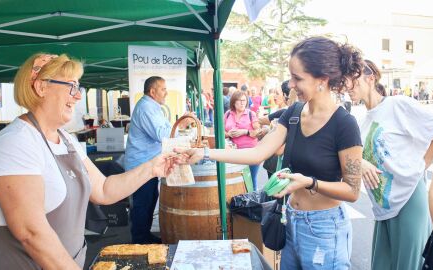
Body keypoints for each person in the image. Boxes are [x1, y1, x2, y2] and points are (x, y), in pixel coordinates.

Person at [0, 54, 175, 270]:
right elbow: (31, 232)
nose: (77, 96)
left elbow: (103, 189)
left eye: (79, 88)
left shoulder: (66, 139)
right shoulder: (16, 142)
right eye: (71, 86)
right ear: (41, 87)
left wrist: (153, 167)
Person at [176, 36, 364, 269]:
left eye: (297, 78)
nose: (291, 85)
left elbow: (352, 191)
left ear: (322, 80)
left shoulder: (344, 124)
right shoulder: (293, 113)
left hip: (325, 229)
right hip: (291, 220)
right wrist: (204, 153)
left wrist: (309, 182)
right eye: (291, 77)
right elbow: (257, 153)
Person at [346, 59, 433, 270]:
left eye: (352, 80)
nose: (347, 87)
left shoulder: (397, 105)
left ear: (370, 79)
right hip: (382, 208)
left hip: (408, 199)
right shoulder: (362, 121)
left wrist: (421, 166)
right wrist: (359, 161)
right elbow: (349, 161)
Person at [124, 76, 180, 244]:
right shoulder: (147, 107)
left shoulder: (152, 106)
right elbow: (162, 134)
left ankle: (144, 236)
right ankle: (139, 241)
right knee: (143, 203)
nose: (166, 92)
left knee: (149, 201)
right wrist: (179, 125)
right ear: (152, 91)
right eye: (163, 89)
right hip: (141, 165)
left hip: (147, 164)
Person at [224, 90, 261, 190]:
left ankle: (253, 203)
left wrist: (245, 132)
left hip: (251, 152)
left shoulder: (251, 114)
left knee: (251, 179)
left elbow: (258, 131)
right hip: (233, 153)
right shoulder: (228, 114)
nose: (242, 103)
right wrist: (228, 134)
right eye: (239, 100)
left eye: (244, 100)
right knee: (236, 180)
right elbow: (220, 131)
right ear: (233, 102)